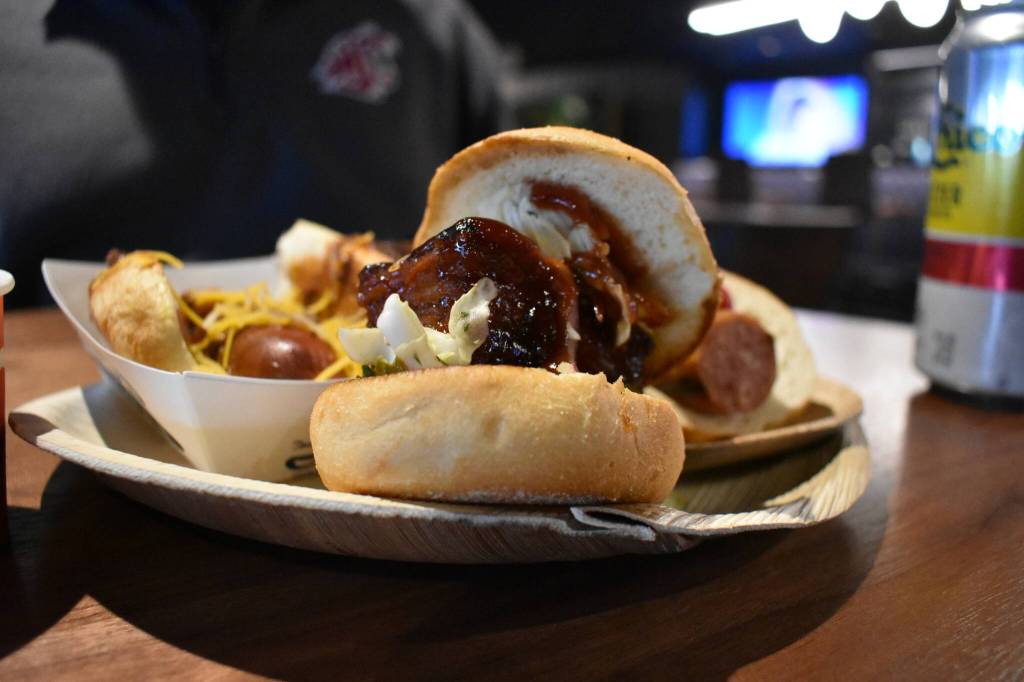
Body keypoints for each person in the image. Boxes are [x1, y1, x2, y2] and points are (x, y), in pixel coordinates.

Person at [0, 0, 503, 308]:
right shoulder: (12, 35)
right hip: (49, 428)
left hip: (392, 429)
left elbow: (511, 243)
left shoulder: (432, 25)